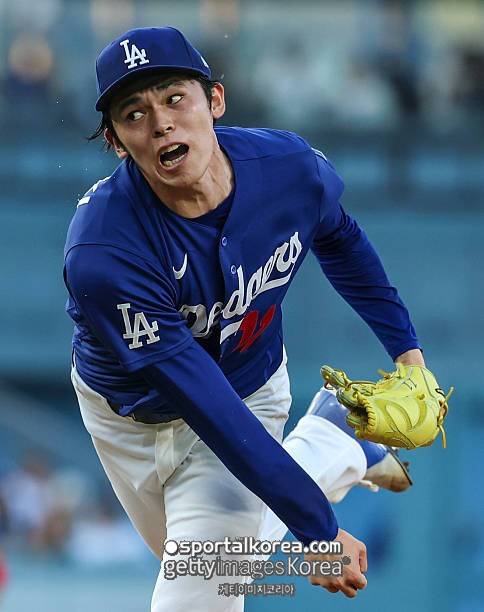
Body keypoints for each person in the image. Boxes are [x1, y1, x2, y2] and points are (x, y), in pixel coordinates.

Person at [64, 26, 423, 611]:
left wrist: (408, 354)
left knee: (199, 592)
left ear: (215, 100)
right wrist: (318, 529)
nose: (161, 124)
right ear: (117, 142)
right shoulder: (105, 251)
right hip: (127, 419)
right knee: (223, 566)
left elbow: (339, 238)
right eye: (134, 114)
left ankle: (329, 446)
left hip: (247, 389)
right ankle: (330, 443)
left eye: (175, 98)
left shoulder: (287, 168)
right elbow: (205, 404)